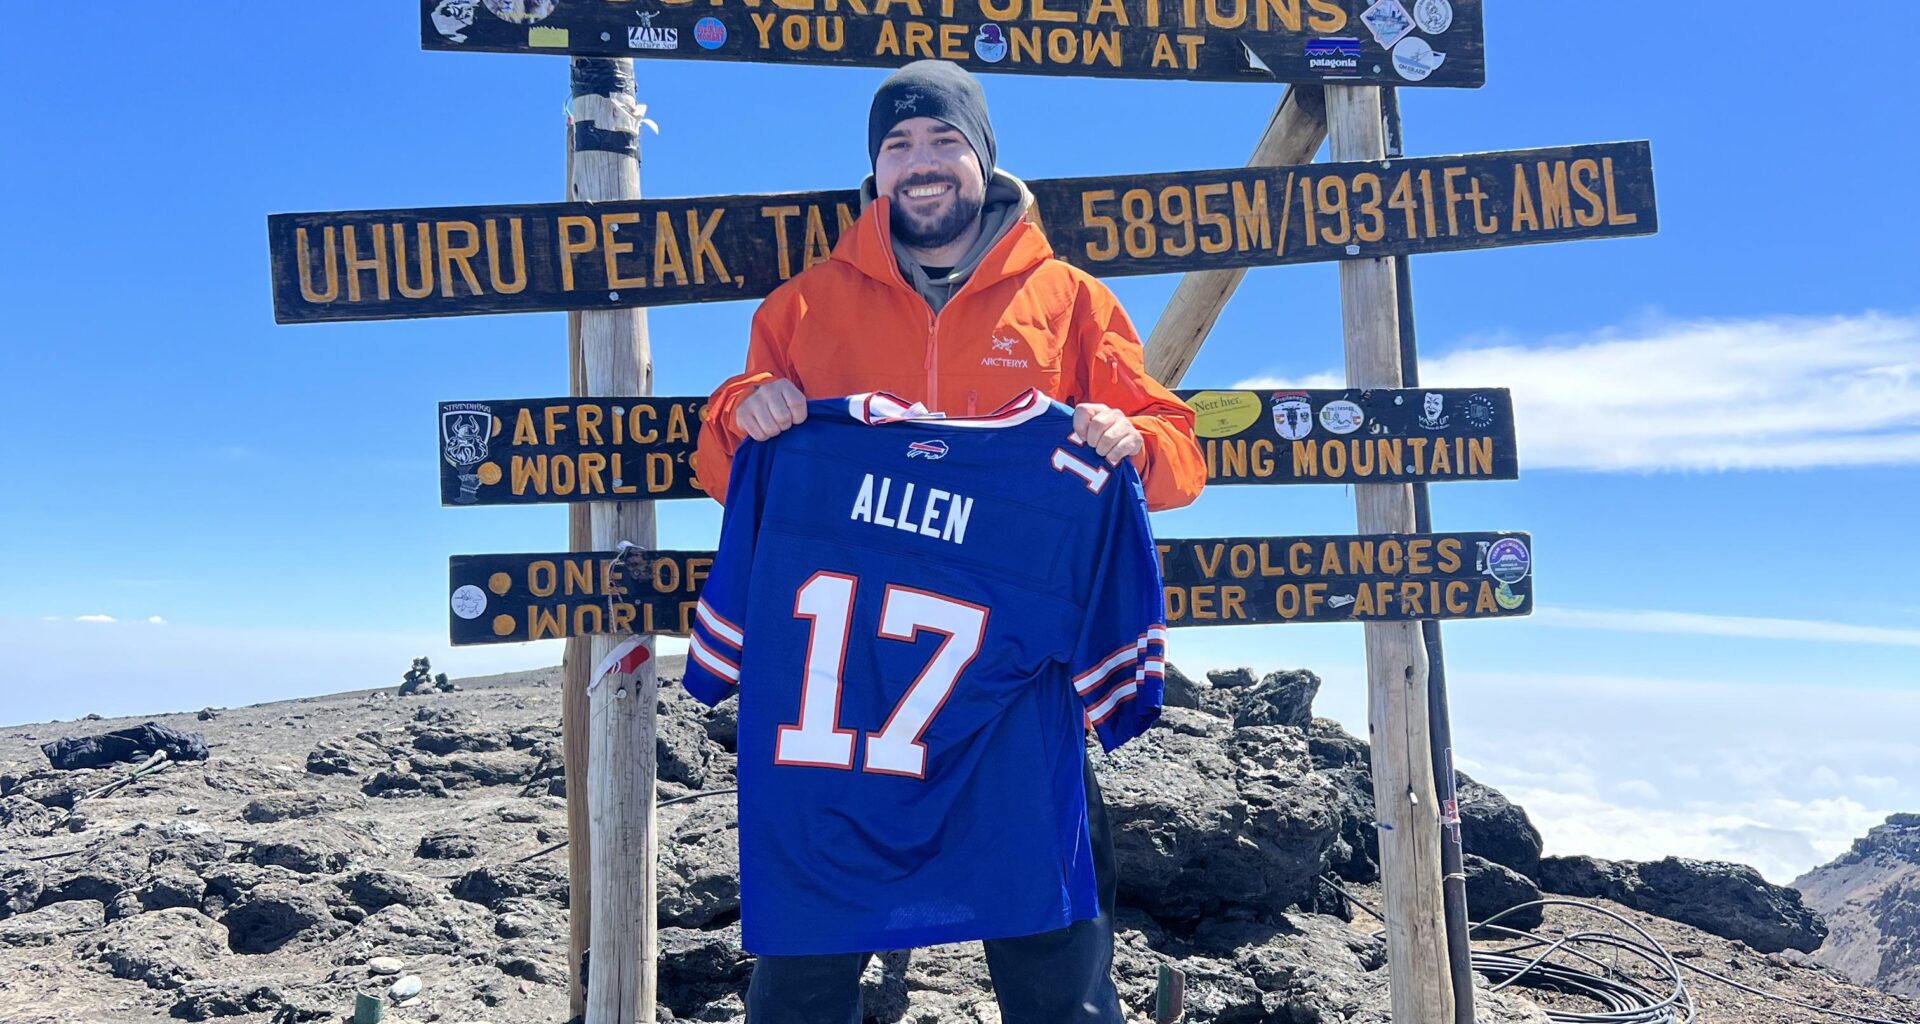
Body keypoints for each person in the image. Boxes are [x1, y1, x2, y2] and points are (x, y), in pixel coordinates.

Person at [693, 59, 1205, 1024]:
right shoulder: (803, 306)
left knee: (1053, 949)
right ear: (874, 172)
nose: (921, 164)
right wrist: (740, 412)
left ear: (983, 157)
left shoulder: (1072, 302)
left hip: (1013, 689)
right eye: (898, 147)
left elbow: (1177, 457)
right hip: (839, 699)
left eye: (943, 141)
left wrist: (1133, 444)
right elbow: (731, 473)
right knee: (806, 965)